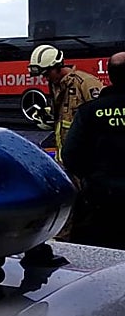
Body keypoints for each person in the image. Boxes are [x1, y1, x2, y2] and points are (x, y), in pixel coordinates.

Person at [62, 52, 125, 249]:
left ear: (110, 75)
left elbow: (70, 156)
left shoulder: (89, 112)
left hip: (101, 203)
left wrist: (93, 176)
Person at [28, 43, 102, 164]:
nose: (45, 78)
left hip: (86, 159)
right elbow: (63, 116)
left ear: (58, 66)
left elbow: (99, 119)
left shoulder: (86, 83)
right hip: (66, 159)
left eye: (47, 74)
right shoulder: (55, 85)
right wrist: (46, 116)